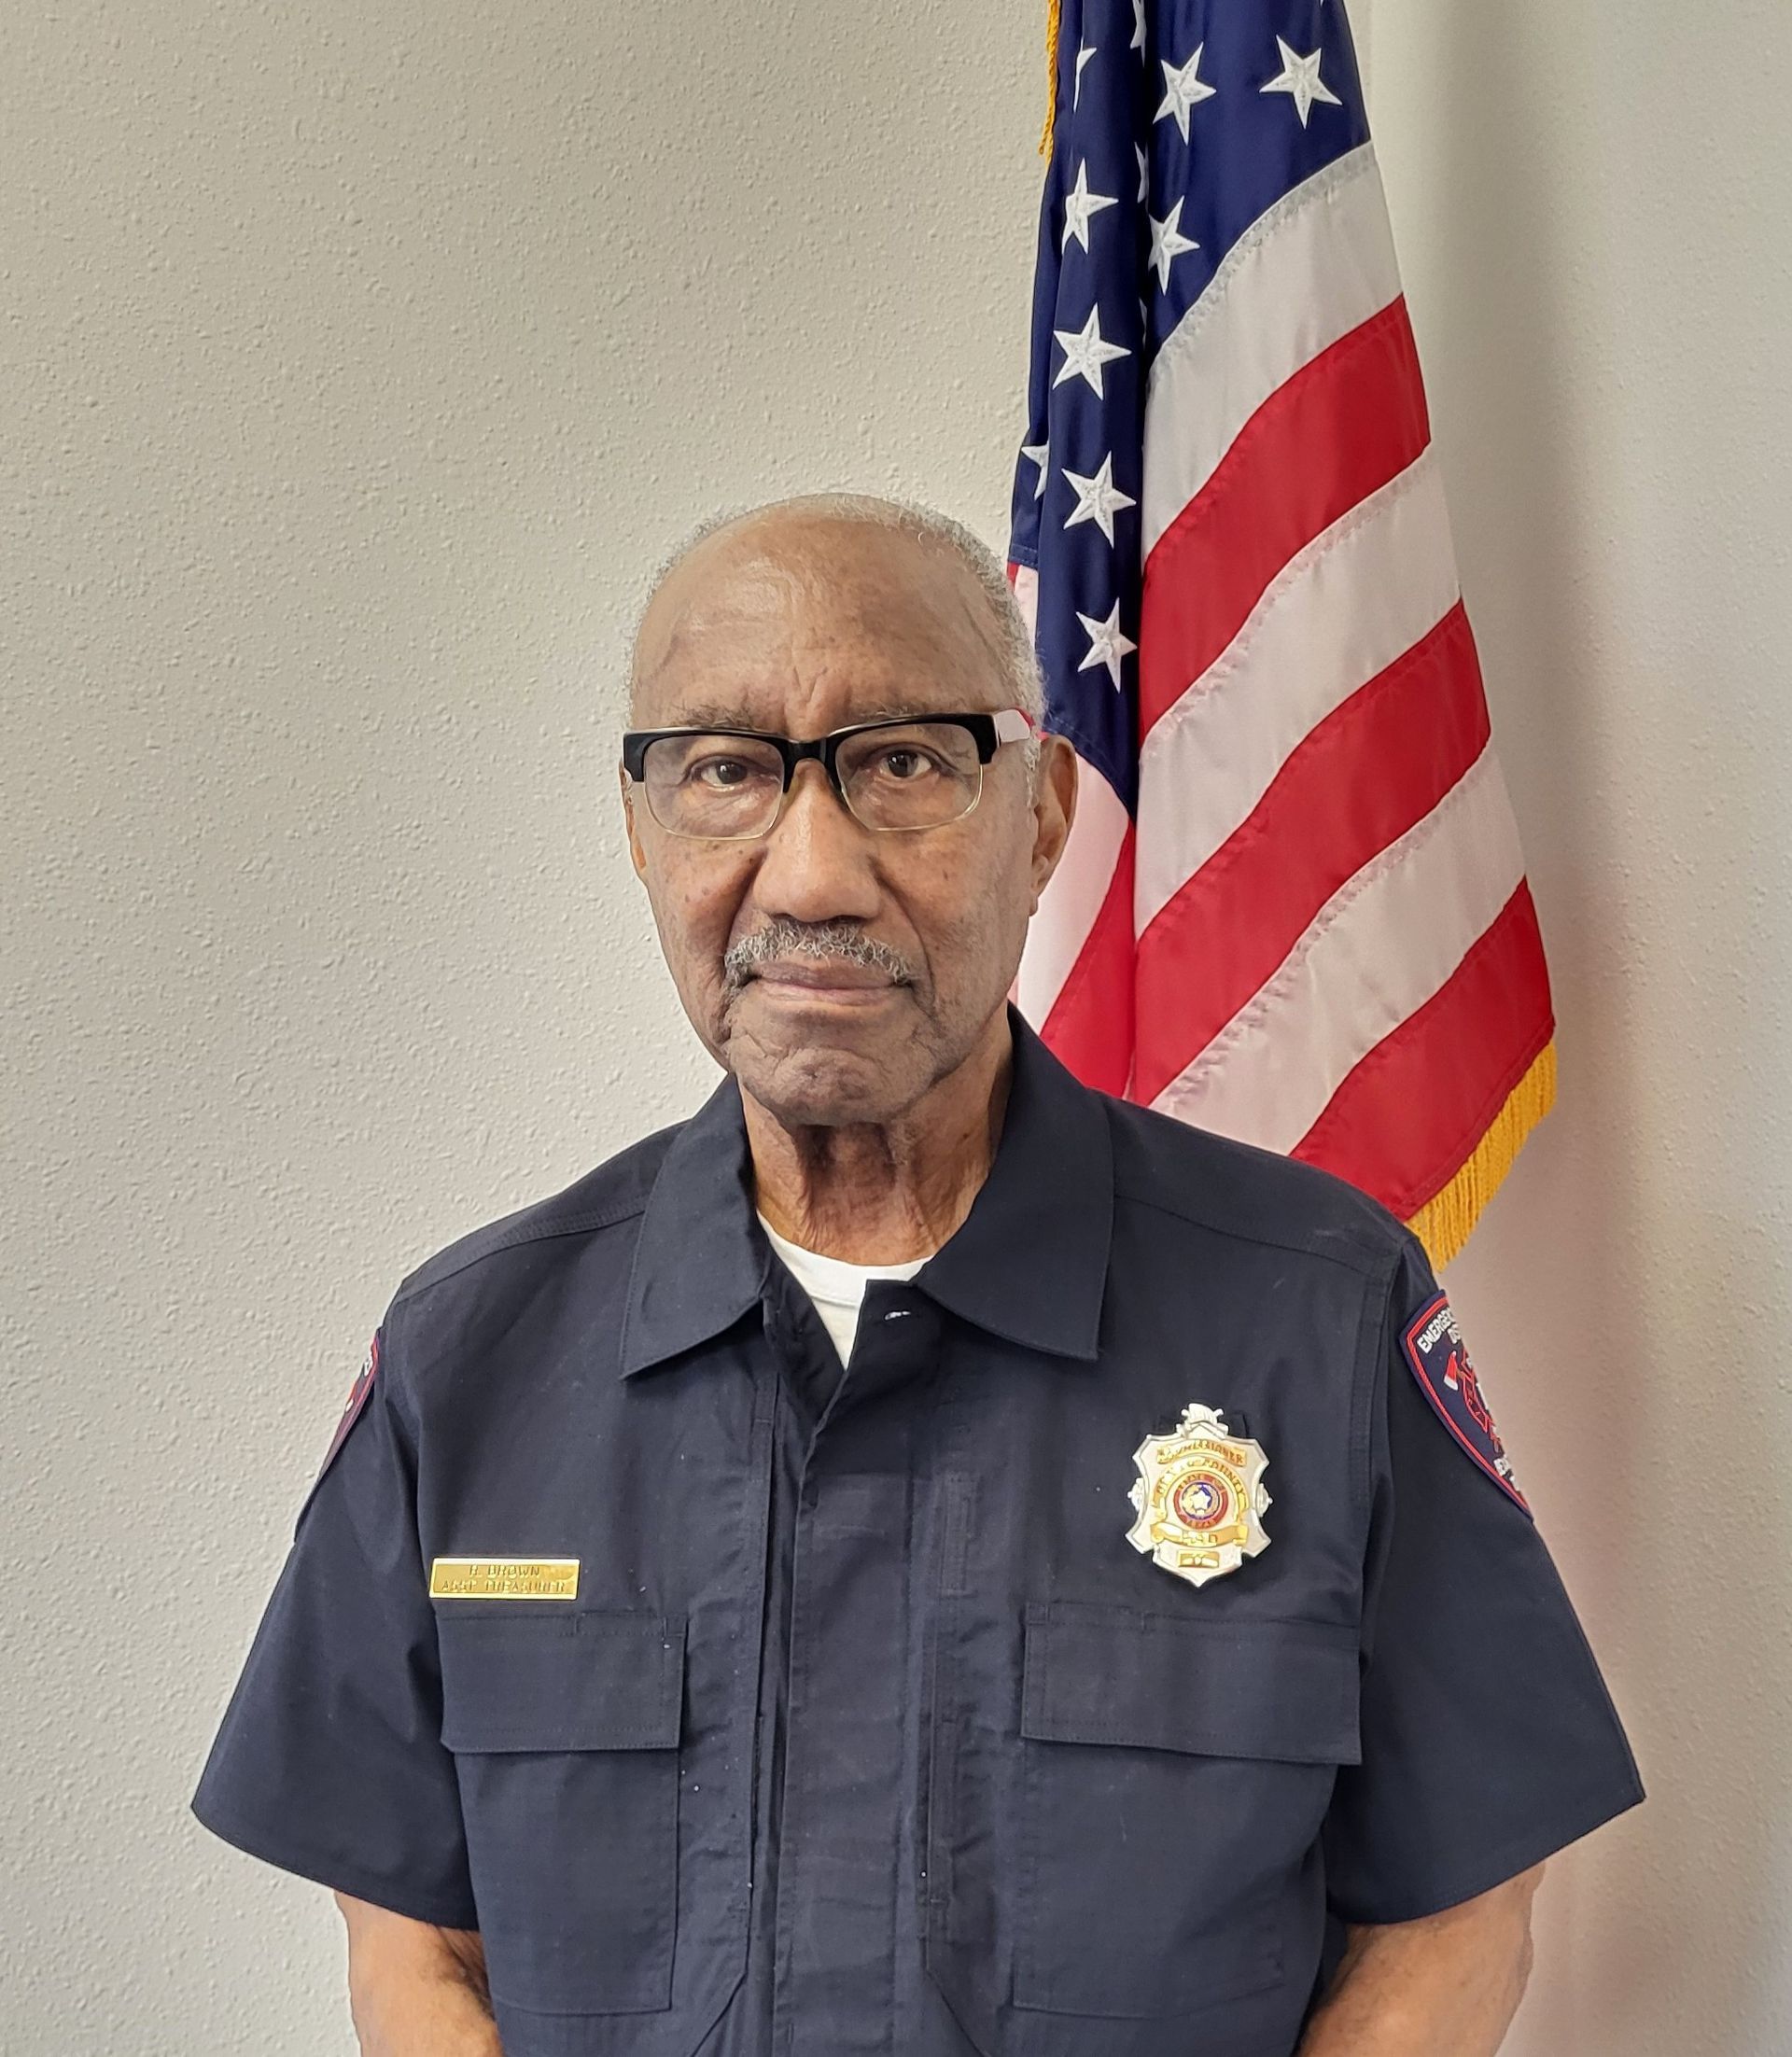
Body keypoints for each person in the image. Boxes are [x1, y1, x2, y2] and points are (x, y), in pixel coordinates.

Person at [192, 495, 1643, 2057]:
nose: (811, 876)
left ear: (1041, 814)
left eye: (903, 764)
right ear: (640, 828)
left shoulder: (1319, 1314)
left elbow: (1451, 1924)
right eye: (727, 772)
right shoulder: (471, 1356)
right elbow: (417, 1953)